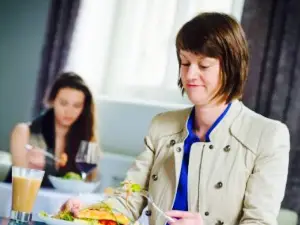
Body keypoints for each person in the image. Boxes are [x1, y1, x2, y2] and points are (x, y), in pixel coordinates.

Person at [62, 12, 290, 225]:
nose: (190, 75)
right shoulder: (162, 125)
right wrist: (86, 212)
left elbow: (259, 221)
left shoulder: (268, 136)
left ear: (231, 68)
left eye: (203, 65)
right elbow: (128, 200)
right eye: (185, 62)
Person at [6, 72, 100, 187]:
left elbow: (87, 183)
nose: (69, 112)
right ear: (52, 101)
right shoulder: (23, 132)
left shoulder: (86, 140)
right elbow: (20, 185)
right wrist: (32, 170)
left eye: (76, 106)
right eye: (63, 103)